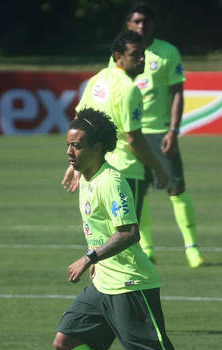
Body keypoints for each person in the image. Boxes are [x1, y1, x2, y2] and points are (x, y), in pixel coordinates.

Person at [54, 107, 222, 350]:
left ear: (97, 148)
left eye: (76, 146)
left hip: (131, 284)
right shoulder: (85, 178)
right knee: (65, 341)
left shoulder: (111, 180)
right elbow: (100, 230)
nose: (69, 152)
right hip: (103, 282)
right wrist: (97, 259)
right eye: (68, 144)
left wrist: (90, 256)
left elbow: (130, 233)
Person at [110, 2, 203, 268]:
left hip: (159, 132)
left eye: (146, 22)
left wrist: (173, 130)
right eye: (136, 22)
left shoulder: (167, 52)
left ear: (153, 24)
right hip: (130, 134)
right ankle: (147, 247)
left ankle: (191, 247)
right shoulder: (119, 53)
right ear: (128, 24)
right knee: (139, 193)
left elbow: (178, 93)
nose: (141, 26)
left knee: (176, 189)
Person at [62, 30, 169, 231]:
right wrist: (158, 168)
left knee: (100, 238)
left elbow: (79, 122)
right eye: (135, 54)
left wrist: (75, 164)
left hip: (94, 169)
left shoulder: (97, 79)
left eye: (143, 53)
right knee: (125, 239)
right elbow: (134, 138)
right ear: (118, 57)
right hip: (125, 172)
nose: (142, 59)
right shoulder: (130, 90)